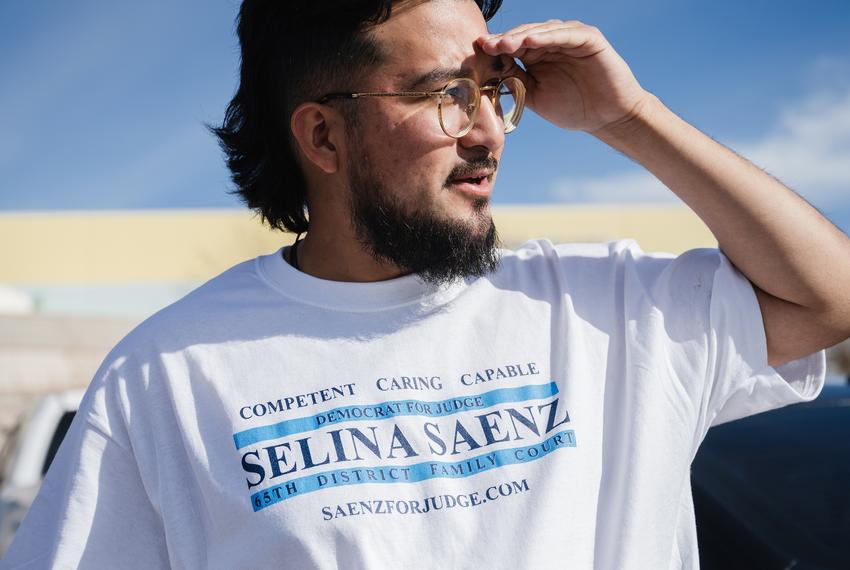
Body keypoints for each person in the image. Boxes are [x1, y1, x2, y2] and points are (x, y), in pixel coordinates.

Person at [4, 1, 849, 568]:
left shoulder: (610, 308)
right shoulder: (169, 372)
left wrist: (630, 117)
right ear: (324, 137)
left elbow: (826, 299)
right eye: (447, 95)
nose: (488, 133)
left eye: (494, 92)